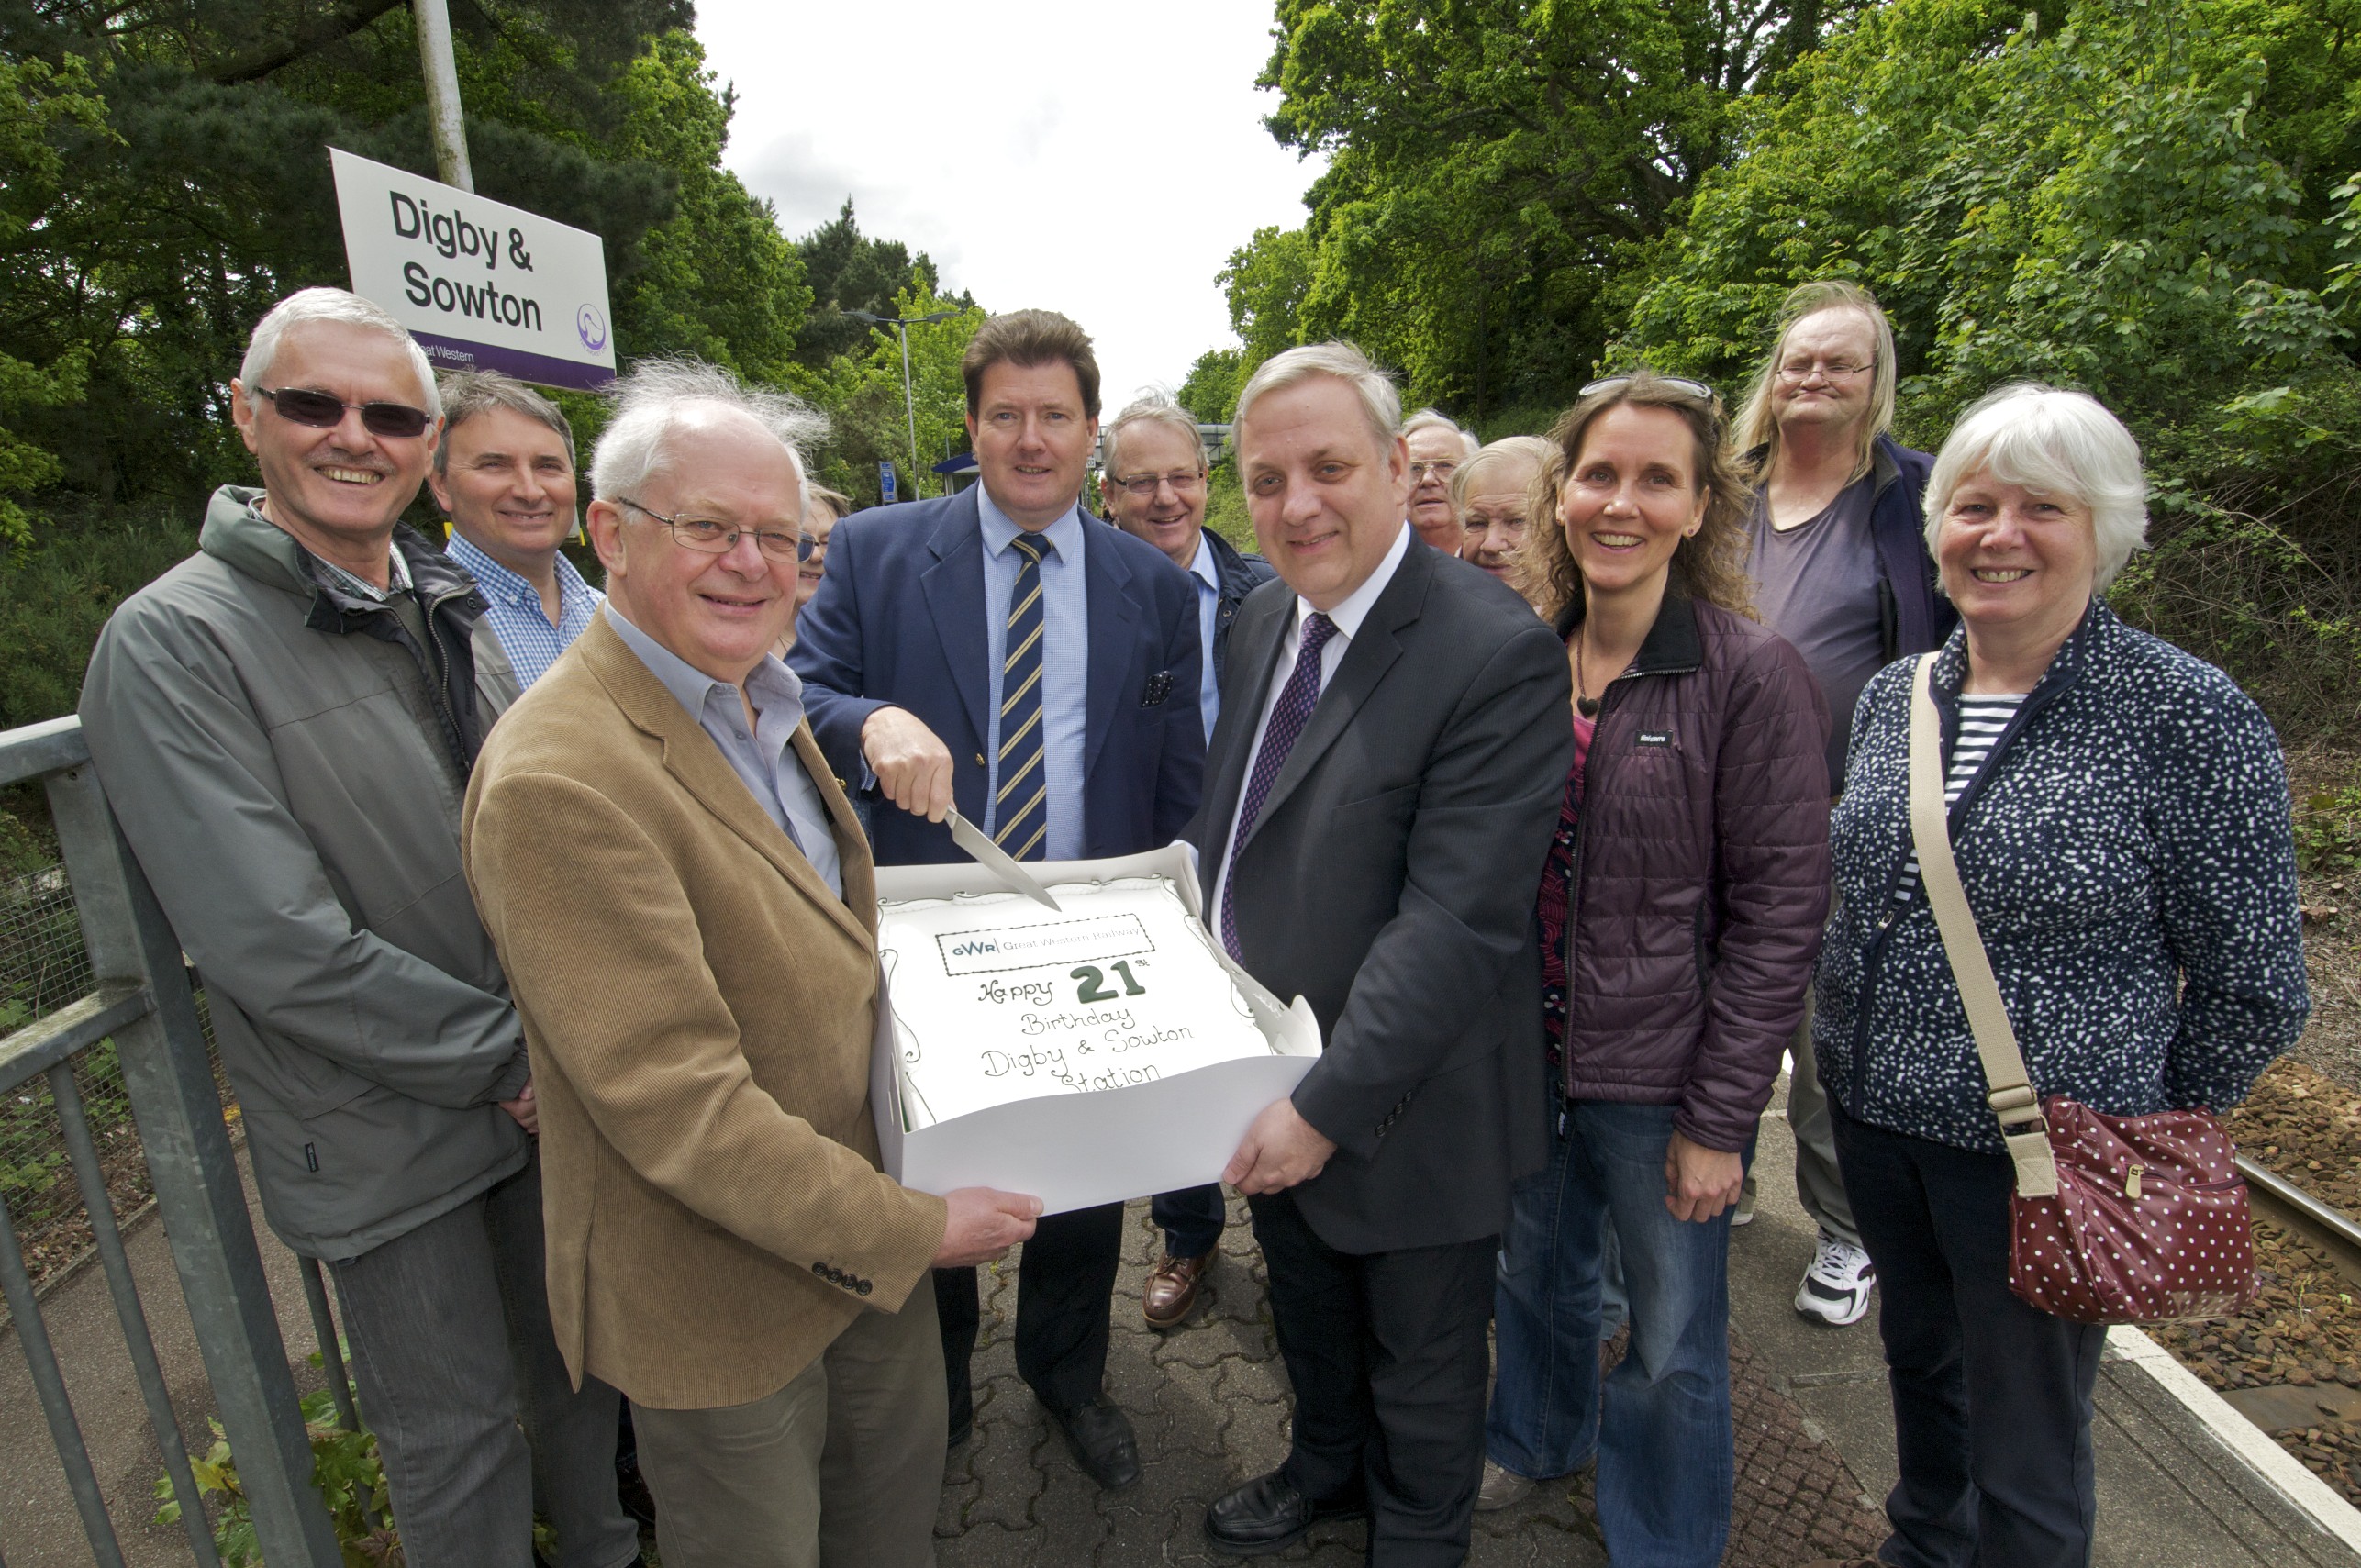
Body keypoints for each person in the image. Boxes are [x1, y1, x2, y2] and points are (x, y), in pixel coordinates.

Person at [77, 287, 638, 1568]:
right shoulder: (172, 643)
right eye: (313, 404)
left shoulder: (439, 600)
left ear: (421, 443)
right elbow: (272, 938)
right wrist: (513, 1060)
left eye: (390, 413)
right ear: (245, 414)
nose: (353, 435)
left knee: (575, 1383)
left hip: (535, 1093)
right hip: (388, 1134)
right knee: (457, 1448)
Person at [462, 359, 1040, 1568]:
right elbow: (676, 1103)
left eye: (779, 537)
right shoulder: (561, 775)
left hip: (853, 1256)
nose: (752, 563)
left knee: (889, 1533)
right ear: (610, 534)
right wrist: (910, 1227)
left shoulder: (758, 701)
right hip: (722, 1299)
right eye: (708, 528)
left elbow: (823, 949)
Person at [1801, 384, 2310, 1568]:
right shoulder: (1899, 697)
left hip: (2036, 1153)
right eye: (1972, 505)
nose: (2000, 534)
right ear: (1935, 529)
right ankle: (1920, 1548)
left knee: (2028, 1449)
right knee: (1922, 1387)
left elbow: (2255, 980)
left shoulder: (2182, 712)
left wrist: (2125, 1110)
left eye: (2043, 506)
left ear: (2104, 529)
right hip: (1876, 1125)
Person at [789, 310, 1203, 1490]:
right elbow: (796, 690)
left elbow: (1176, 775)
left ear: (1090, 433)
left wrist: (1174, 920)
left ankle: (1068, 1377)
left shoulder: (1150, 582)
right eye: (1006, 416)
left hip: (1081, 930)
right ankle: (942, 1391)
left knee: (1080, 1174)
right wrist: (865, 721)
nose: (1030, 440)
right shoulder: (873, 550)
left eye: (1054, 416)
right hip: (926, 940)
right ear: (971, 428)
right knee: (933, 1166)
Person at [1194, 342, 1572, 1562]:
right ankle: (1323, 1468)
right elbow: (1236, 827)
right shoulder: (1259, 620)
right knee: (1308, 1315)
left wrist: (1324, 1105)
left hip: (1408, 1103)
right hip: (1270, 1073)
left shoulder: (1491, 647)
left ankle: (1416, 1530)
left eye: (1326, 467)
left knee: (1420, 1367)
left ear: (1399, 466)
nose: (1295, 504)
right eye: (1264, 479)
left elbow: (1457, 920)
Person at [1477, 373, 1830, 1568]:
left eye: (1654, 479)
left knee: (1674, 1331)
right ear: (1559, 496)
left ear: (1696, 507)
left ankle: (1666, 1538)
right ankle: (1532, 1444)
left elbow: (1781, 913)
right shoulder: (1523, 659)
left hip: (1664, 1081)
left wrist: (1722, 1120)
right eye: (1597, 474)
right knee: (1534, 1280)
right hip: (1530, 1060)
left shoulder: (1746, 673)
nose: (1618, 502)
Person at [1732, 279, 1955, 1327]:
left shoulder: (1912, 498)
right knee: (1709, 999)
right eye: (1797, 360)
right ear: (1770, 381)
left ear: (1876, 382)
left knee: (1827, 1036)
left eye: (1839, 362)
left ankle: (1844, 1229)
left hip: (1843, 808)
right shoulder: (1722, 488)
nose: (1813, 377)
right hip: (1713, 801)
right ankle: (1718, 1167)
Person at [1097, 388, 1276, 1328]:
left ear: (1207, 483)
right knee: (1170, 1054)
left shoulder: (1265, 597)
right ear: (1108, 493)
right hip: (1139, 859)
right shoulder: (1088, 597)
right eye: (1141, 481)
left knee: (1267, 1041)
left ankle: (1291, 1232)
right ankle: (1187, 1231)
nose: (1165, 497)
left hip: (1254, 853)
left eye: (1182, 476)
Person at [429, 370, 601, 690]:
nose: (530, 491)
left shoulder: (614, 619)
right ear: (441, 485)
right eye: (494, 465)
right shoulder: (426, 628)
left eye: (547, 466)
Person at [1451, 435, 1553, 603]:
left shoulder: (1588, 624)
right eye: (1477, 523)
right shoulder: (1439, 615)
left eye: (1517, 521)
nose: (1491, 544)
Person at [1402, 406, 1479, 553]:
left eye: (1445, 465)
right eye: (1415, 468)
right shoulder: (1374, 565)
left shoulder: (1498, 562)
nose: (1428, 479)